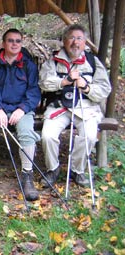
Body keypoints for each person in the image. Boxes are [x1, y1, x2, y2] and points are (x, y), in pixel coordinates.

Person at [39, 24, 111, 188]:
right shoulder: (54, 60)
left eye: (79, 38)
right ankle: (53, 169)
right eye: (71, 38)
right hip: (59, 107)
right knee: (48, 136)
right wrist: (65, 81)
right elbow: (43, 83)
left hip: (86, 107)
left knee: (90, 136)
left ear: (85, 42)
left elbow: (104, 88)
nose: (75, 42)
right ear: (64, 41)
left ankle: (77, 170)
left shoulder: (92, 61)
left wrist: (86, 87)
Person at [0, 28, 41, 201]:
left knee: (27, 133)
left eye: (18, 41)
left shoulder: (29, 66)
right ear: (3, 43)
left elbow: (34, 91)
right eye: (10, 41)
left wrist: (23, 109)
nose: (14, 44)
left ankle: (27, 175)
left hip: (21, 109)